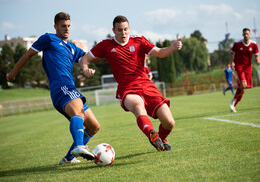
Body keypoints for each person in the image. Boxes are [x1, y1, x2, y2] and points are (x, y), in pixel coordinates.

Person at [6, 12, 100, 164]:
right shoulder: (49, 39)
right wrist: (12, 73)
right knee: (78, 113)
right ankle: (79, 145)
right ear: (55, 26)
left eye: (69, 26)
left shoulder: (72, 48)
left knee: (94, 126)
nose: (67, 29)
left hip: (71, 89)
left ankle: (69, 159)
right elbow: (28, 55)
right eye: (63, 26)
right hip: (61, 87)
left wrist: (110, 53)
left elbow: (91, 58)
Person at [82, 15, 182, 151]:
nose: (123, 33)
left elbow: (159, 52)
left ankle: (161, 139)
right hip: (127, 88)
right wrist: (85, 69)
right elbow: (85, 58)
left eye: (125, 29)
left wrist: (171, 47)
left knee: (169, 122)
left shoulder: (139, 40)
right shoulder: (106, 45)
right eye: (119, 30)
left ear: (129, 29)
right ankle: (151, 134)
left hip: (147, 85)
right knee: (138, 106)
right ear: (113, 30)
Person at [229, 28, 260, 112]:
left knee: (243, 89)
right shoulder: (237, 44)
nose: (246, 35)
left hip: (248, 67)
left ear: (250, 35)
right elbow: (231, 52)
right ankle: (233, 100)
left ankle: (234, 105)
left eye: (247, 34)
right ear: (242, 35)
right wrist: (232, 63)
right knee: (243, 84)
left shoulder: (254, 44)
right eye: (244, 34)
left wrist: (257, 59)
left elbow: (257, 55)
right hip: (239, 66)